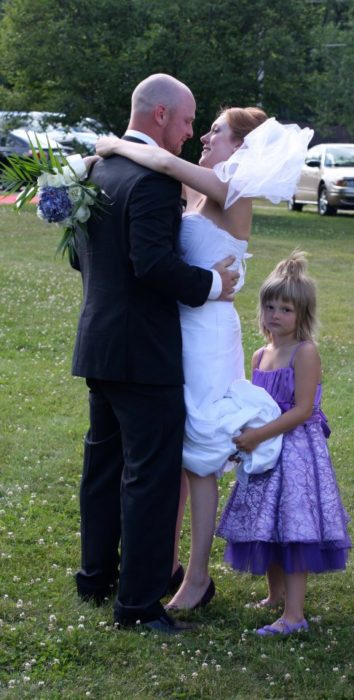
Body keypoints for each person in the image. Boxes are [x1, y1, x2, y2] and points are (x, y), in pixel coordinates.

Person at [95, 110, 312, 610]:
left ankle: (196, 578)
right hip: (179, 327)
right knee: (175, 450)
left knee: (199, 457)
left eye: (215, 129)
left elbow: (164, 162)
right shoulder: (198, 191)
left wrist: (113, 145)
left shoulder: (229, 186)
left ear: (240, 146)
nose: (205, 136)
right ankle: (167, 565)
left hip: (209, 333)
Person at [71, 73, 240, 634]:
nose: (192, 133)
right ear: (162, 115)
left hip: (99, 342)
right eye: (189, 120)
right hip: (144, 352)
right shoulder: (151, 181)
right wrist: (214, 285)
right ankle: (139, 605)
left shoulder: (99, 170)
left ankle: (96, 578)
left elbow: (82, 259)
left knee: (103, 468)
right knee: (149, 477)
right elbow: (153, 266)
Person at [217, 251, 352, 636]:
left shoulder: (304, 352)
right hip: (265, 453)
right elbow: (254, 403)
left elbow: (304, 409)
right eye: (270, 306)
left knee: (293, 527)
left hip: (295, 451)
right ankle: (275, 594)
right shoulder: (261, 354)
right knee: (267, 523)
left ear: (302, 316)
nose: (276, 315)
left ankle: (294, 616)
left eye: (286, 309)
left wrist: (259, 434)